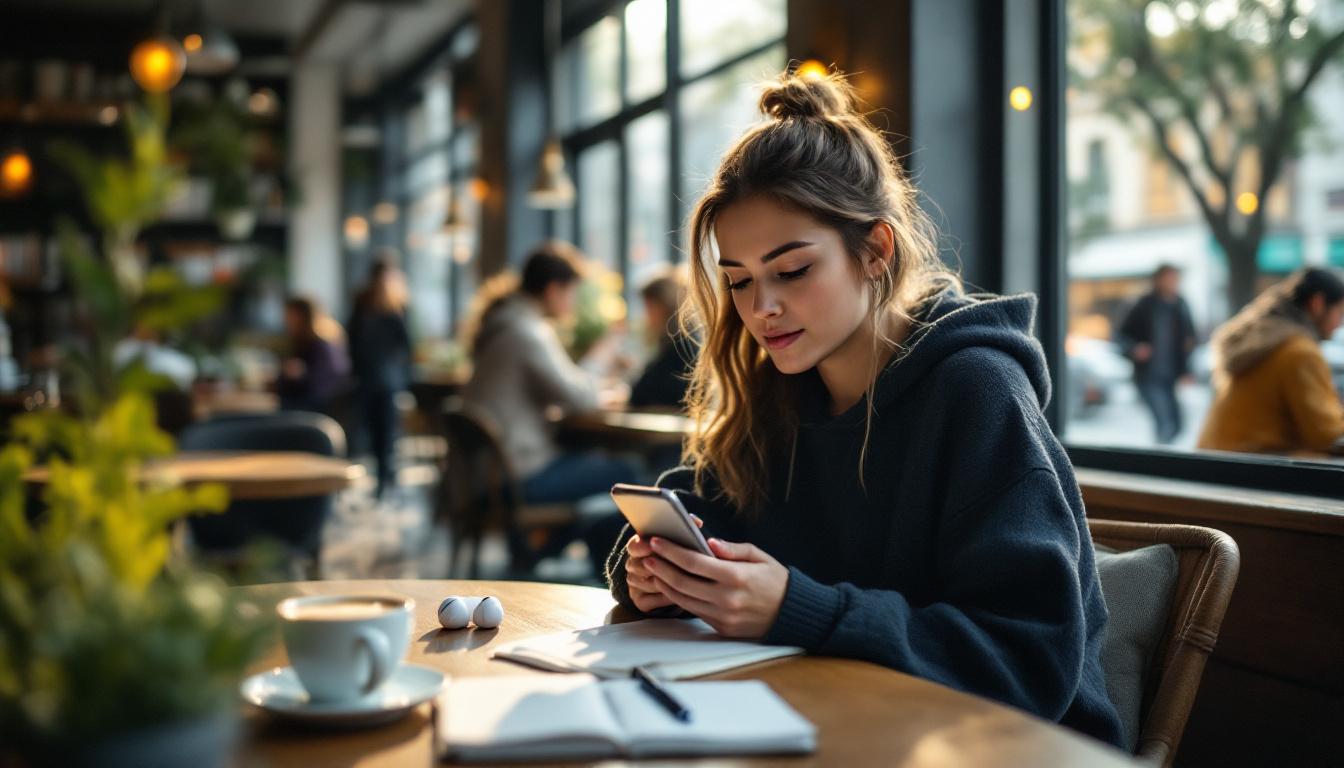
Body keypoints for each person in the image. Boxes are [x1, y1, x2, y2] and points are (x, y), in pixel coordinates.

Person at [604, 71, 1123, 747]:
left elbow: (1030, 658)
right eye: (739, 282)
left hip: (1011, 748)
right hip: (848, 729)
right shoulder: (780, 388)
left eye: (791, 271)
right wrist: (659, 574)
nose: (761, 308)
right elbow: (705, 510)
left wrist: (798, 609)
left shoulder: (975, 390)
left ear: (874, 250)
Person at [462, 242, 639, 572]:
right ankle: (585, 567)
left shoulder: (502, 325)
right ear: (554, 289)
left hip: (486, 476)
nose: (573, 302)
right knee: (627, 474)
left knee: (591, 463)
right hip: (513, 479)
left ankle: (532, 555)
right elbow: (578, 398)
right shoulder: (526, 332)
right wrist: (606, 370)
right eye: (572, 292)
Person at [1198, 268, 1344, 455]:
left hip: (1214, 463)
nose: (1339, 324)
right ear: (1318, 303)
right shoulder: (1299, 352)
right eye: (1340, 313)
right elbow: (1327, 434)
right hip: (1251, 472)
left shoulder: (1264, 340)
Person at [348, 257, 413, 498]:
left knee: (381, 431)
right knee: (382, 431)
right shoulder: (392, 304)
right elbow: (405, 346)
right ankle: (385, 478)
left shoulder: (392, 304)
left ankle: (384, 479)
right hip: (382, 378)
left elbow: (353, 339)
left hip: (375, 377)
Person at [1117, 264, 1196, 444]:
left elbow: (1189, 340)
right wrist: (1134, 349)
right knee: (1164, 424)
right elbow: (1120, 336)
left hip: (1170, 377)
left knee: (1178, 425)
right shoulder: (1143, 305)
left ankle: (1163, 456)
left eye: (1175, 279)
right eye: (1168, 278)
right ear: (1158, 279)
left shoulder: (1181, 305)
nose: (1173, 283)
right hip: (1148, 376)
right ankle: (1161, 461)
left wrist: (1186, 370)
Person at [629, 270, 697, 410]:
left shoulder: (681, 344)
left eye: (649, 307)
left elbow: (641, 393)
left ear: (664, 306)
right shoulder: (677, 340)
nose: (646, 315)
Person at [277, 296, 350, 415]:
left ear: (304, 317)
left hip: (315, 410)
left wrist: (299, 375)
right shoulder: (304, 342)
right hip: (309, 406)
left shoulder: (321, 346)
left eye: (291, 316)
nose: (286, 321)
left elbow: (321, 386)